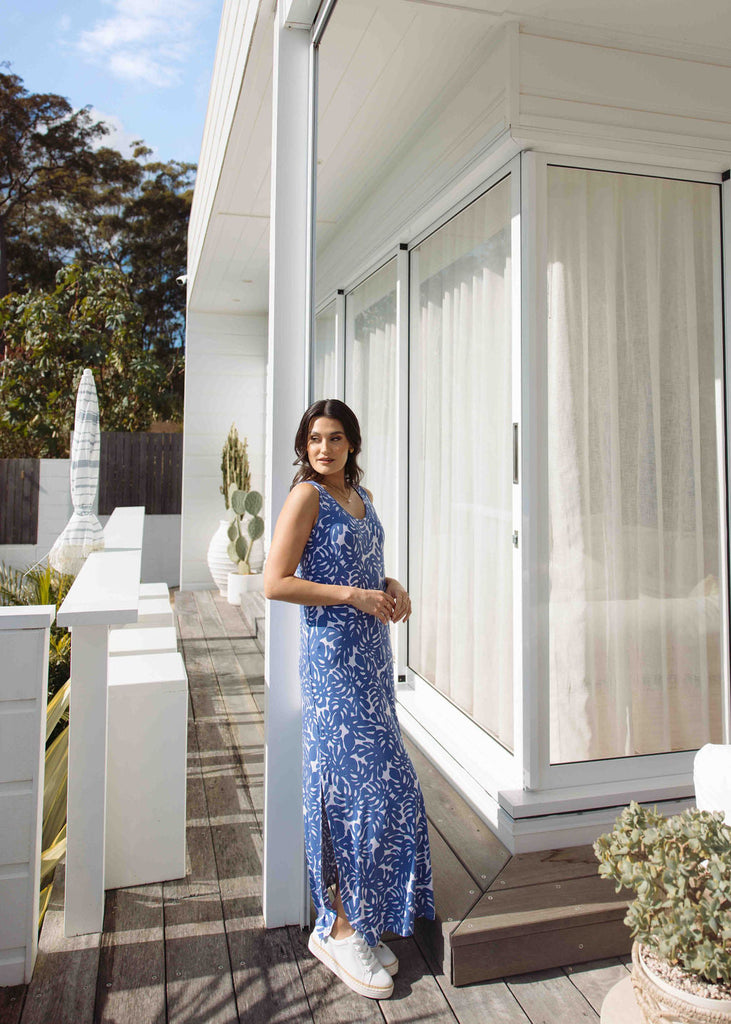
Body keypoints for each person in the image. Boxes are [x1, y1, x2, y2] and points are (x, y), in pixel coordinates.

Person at [264, 398, 435, 1000]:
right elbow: (274, 581)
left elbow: (368, 568)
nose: (324, 448)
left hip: (371, 661)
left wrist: (390, 586)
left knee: (388, 787)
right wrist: (352, 597)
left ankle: (358, 918)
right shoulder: (306, 496)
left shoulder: (361, 500)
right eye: (315, 439)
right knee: (346, 792)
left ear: (352, 444)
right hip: (333, 664)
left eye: (335, 438)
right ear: (304, 446)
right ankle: (336, 926)